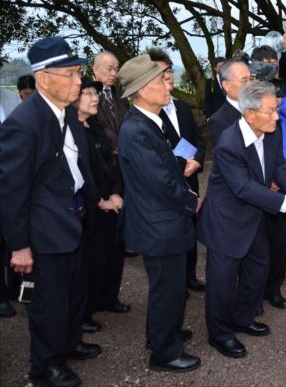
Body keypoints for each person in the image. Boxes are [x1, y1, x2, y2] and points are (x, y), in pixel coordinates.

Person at [0, 36, 101, 387]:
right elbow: (11, 191)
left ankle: (69, 344)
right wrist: (20, 245)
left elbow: (78, 166)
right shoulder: (24, 123)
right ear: (44, 79)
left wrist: (96, 199)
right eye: (71, 74)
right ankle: (45, 367)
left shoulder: (66, 114)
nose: (79, 81)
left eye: (78, 73)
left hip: (73, 219)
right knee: (48, 303)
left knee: (75, 293)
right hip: (44, 229)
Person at [197, 81, 286, 359]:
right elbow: (243, 187)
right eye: (271, 111)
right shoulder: (229, 144)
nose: (277, 117)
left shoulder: (271, 130)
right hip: (226, 220)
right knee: (222, 280)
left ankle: (242, 318)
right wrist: (285, 205)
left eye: (276, 110)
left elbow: (279, 164)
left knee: (259, 266)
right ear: (250, 114)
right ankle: (220, 334)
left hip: (253, 215)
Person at [117, 54, 201, 373]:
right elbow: (161, 183)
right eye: (158, 82)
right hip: (159, 224)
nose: (167, 86)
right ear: (140, 91)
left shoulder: (155, 120)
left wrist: (189, 161)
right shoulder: (136, 130)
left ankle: (166, 333)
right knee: (166, 289)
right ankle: (164, 353)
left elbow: (173, 155)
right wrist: (190, 200)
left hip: (167, 221)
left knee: (173, 286)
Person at [251, 41, 286, 308]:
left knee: (279, 238)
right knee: (254, 237)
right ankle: (251, 289)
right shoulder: (249, 95)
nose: (271, 70)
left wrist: (281, 101)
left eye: (274, 64)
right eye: (265, 65)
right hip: (256, 175)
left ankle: (273, 288)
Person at [148, 48, 207, 293]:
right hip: (167, 184)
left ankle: (190, 276)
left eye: (170, 71)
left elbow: (199, 139)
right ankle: (176, 284)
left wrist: (197, 161)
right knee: (173, 234)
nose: (168, 76)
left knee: (189, 229)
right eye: (162, 73)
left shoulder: (182, 108)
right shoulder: (150, 113)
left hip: (189, 178)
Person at [71, 77, 125, 335]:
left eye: (95, 93)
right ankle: (85, 312)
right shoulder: (71, 132)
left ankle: (108, 299)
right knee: (92, 261)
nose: (95, 98)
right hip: (90, 206)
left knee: (113, 255)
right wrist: (99, 200)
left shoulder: (96, 128)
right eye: (88, 93)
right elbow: (83, 174)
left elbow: (110, 165)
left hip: (110, 200)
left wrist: (115, 192)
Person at [208, 59, 253, 149]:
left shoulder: (260, 108)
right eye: (244, 81)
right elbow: (228, 158)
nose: (250, 85)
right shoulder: (218, 121)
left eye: (251, 79)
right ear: (226, 85)